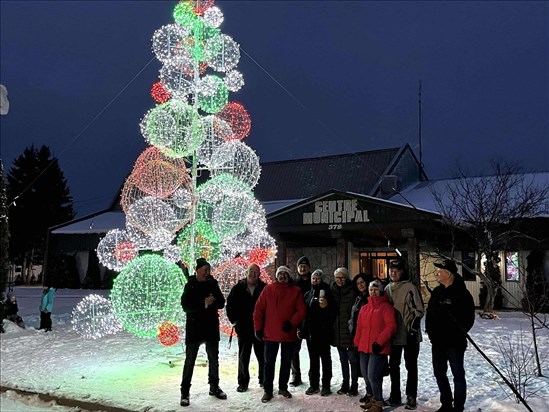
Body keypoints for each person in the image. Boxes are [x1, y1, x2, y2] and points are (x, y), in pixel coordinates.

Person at [426, 259, 475, 412]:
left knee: (457, 374)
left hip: (455, 342)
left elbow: (468, 319)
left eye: (439, 271)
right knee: (439, 372)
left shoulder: (462, 294)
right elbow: (430, 314)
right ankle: (446, 403)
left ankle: (458, 406)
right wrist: (431, 332)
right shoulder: (437, 292)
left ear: (448, 274)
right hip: (438, 342)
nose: (437, 274)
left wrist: (456, 333)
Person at [253, 265, 307, 403]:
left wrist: (292, 322)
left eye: (285, 274)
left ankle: (283, 387)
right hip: (270, 334)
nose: (282, 276)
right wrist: (258, 328)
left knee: (286, 362)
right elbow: (259, 309)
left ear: (289, 276)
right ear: (276, 275)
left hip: (288, 333)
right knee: (269, 363)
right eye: (280, 273)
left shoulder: (296, 291)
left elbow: (301, 311)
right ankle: (268, 390)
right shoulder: (268, 289)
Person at [180, 258, 227, 407]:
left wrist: (213, 302)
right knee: (190, 360)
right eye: (205, 270)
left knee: (214, 359)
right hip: (195, 327)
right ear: (197, 270)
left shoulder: (213, 283)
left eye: (208, 270)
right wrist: (203, 304)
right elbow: (185, 305)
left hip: (211, 326)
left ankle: (214, 386)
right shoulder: (190, 285)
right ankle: (185, 392)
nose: (207, 273)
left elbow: (221, 302)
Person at [384, 259, 425, 410]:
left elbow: (419, 310)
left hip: (409, 335)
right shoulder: (387, 288)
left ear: (402, 272)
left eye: (396, 270)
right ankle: (395, 395)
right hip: (394, 335)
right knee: (393, 366)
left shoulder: (409, 287)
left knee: (411, 366)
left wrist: (413, 329)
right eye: (391, 270)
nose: (393, 273)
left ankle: (411, 396)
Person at [354, 279, 397, 412]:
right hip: (363, 347)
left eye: (376, 289)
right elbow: (359, 327)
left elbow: (391, 326)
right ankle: (372, 399)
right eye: (371, 289)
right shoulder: (364, 308)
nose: (373, 291)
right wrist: (356, 342)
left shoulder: (386, 307)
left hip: (378, 347)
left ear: (381, 290)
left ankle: (378, 403)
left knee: (373, 376)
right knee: (366, 376)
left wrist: (379, 341)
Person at [226, 263, 267, 392]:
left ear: (259, 274)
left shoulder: (264, 288)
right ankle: (243, 382)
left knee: (262, 356)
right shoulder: (238, 288)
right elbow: (230, 306)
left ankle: (264, 380)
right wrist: (235, 322)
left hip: (260, 328)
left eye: (256, 271)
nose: (253, 274)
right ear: (247, 272)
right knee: (244, 357)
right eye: (251, 271)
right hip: (243, 328)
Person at [302, 269, 335, 396]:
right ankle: (314, 384)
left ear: (322, 279)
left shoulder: (327, 293)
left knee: (325, 359)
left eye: (318, 278)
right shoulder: (307, 294)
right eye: (314, 278)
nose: (315, 280)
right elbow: (304, 313)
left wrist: (327, 307)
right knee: (313, 359)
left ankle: (326, 385)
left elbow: (332, 312)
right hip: (311, 333)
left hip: (324, 332)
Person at [331, 267, 359, 396]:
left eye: (342, 277)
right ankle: (345, 382)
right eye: (338, 277)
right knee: (342, 360)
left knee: (352, 360)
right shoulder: (333, 291)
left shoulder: (353, 291)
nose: (340, 280)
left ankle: (354, 384)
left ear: (347, 278)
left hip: (350, 331)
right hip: (338, 331)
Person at [349, 273, 374, 406]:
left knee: (372, 370)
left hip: (370, 337)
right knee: (363, 368)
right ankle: (369, 392)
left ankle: (375, 395)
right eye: (358, 283)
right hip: (359, 337)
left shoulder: (372, 298)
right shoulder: (358, 298)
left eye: (363, 282)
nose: (361, 285)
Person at [289, 255, 312, 386]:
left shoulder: (314, 282)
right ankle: (295, 376)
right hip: (297, 321)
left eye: (305, 266)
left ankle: (313, 377)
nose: (302, 268)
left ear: (309, 267)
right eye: (300, 266)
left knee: (313, 352)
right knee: (294, 351)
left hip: (310, 321)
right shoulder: (294, 284)